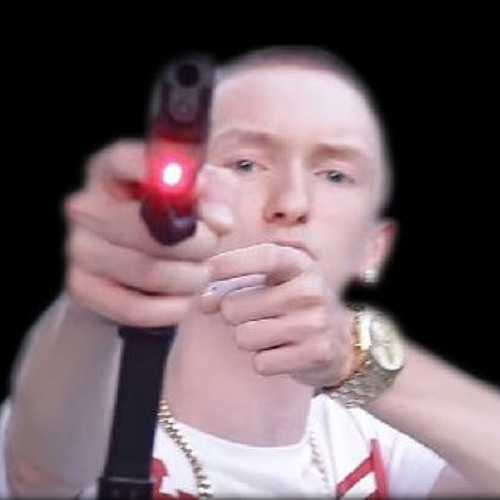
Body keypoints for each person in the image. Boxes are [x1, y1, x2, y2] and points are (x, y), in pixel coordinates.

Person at [0, 45, 499, 499]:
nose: (292, 202)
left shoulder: (386, 448)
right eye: (245, 164)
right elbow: (38, 473)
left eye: (335, 174)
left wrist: (357, 356)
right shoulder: (84, 408)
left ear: (374, 248)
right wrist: (94, 309)